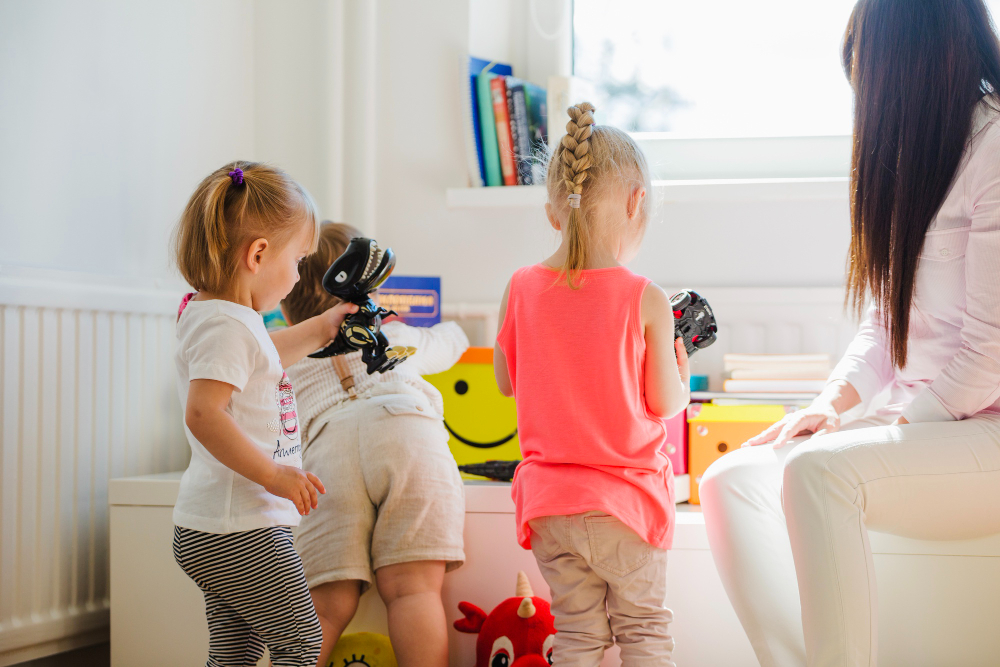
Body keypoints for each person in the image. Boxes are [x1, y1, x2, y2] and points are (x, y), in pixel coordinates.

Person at [699, 2, 1000, 665]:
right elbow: (885, 324)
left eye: (872, 75)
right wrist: (829, 407)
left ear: (916, 62)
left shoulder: (994, 146)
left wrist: (891, 424)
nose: (869, 99)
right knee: (729, 480)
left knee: (819, 472)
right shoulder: (915, 151)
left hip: (985, 429)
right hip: (925, 425)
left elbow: (989, 356)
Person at [493, 102, 690, 666]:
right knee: (644, 633)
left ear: (553, 212)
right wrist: (681, 372)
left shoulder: (519, 287)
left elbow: (506, 383)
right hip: (625, 504)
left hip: (549, 507)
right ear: (636, 202)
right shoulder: (645, 298)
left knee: (577, 636)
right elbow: (664, 404)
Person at [170, 161, 356, 667]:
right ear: (258, 255)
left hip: (219, 526)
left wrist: (323, 327)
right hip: (239, 526)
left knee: (236, 652)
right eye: (298, 260)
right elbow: (203, 414)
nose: (298, 275)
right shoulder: (227, 326)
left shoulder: (227, 319)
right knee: (302, 642)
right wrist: (273, 475)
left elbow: (263, 358)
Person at [282, 222, 469, 667]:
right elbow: (451, 342)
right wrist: (455, 329)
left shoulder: (288, 360)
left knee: (324, 607)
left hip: (328, 453)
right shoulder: (394, 337)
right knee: (413, 590)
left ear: (288, 310)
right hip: (406, 432)